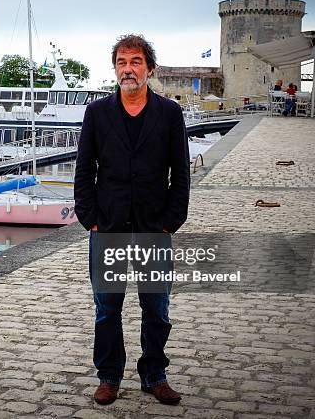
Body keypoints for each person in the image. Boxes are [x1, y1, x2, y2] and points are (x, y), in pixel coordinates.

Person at [74, 34, 190, 406]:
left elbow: (181, 174)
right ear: (115, 69)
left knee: (156, 307)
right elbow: (84, 170)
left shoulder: (169, 114)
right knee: (107, 308)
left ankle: (154, 374)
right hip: (107, 226)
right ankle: (109, 376)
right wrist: (90, 217)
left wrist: (170, 220)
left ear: (149, 69)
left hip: (154, 226)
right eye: (122, 62)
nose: (128, 69)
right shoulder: (97, 113)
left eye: (136, 62)